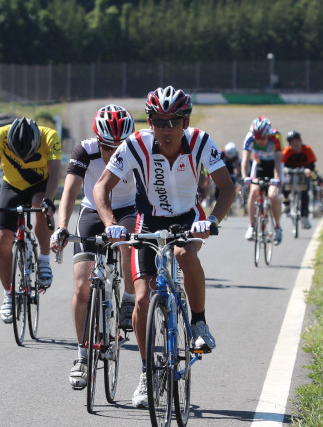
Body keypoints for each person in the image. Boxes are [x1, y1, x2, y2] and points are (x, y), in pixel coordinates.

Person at [93, 86, 235, 408]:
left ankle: (198, 322)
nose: (166, 129)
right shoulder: (136, 145)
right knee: (142, 298)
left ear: (185, 121)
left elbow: (227, 187)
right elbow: (102, 187)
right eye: (159, 121)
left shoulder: (200, 142)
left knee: (185, 254)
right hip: (149, 222)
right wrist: (110, 223)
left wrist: (212, 220)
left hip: (189, 218)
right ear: (150, 121)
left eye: (174, 121)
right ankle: (147, 372)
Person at [49, 104, 137, 390]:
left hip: (126, 209)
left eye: (119, 147)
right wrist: (61, 227)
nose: (113, 154)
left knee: (125, 240)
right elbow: (70, 192)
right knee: (82, 284)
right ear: (97, 139)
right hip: (91, 211)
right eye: (107, 147)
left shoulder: (137, 149)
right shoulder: (84, 151)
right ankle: (82, 355)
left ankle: (129, 299)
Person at [0, 117, 62, 324]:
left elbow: (54, 174)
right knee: (1, 241)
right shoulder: (0, 136)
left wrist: (49, 201)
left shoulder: (50, 136)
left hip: (40, 185)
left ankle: (43, 260)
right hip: (12, 187)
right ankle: (9, 294)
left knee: (40, 210)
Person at [241, 117, 284, 244]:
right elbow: (245, 160)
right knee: (254, 192)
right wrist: (245, 177)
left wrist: (276, 179)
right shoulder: (249, 137)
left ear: (268, 135)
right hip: (259, 165)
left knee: (273, 195)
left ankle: (277, 227)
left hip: (273, 166)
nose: (260, 142)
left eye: (263, 139)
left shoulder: (276, 137)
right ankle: (251, 226)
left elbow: (277, 160)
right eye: (257, 139)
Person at [281, 130, 317, 229]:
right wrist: (285, 170)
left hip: (303, 176)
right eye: (292, 142)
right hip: (291, 174)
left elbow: (312, 165)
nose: (295, 144)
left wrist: (308, 170)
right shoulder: (287, 151)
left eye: (297, 141)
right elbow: (281, 164)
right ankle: (286, 203)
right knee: (285, 185)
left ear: (301, 141)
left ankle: (304, 217)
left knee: (304, 193)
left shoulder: (307, 150)